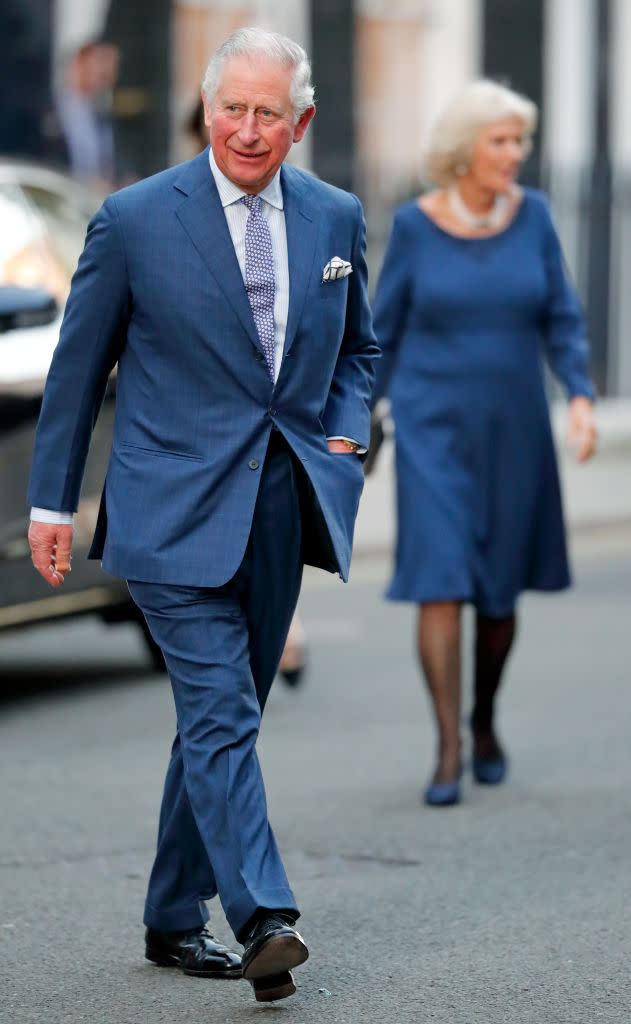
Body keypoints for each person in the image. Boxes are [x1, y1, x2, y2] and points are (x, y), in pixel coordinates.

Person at [27, 27, 378, 1001]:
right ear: (206, 108)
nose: (250, 129)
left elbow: (359, 352)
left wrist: (348, 435)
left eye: (271, 113)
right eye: (234, 108)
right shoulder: (136, 220)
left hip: (279, 499)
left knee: (221, 719)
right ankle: (263, 912)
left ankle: (170, 912)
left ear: (300, 120)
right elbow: (75, 368)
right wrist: (51, 502)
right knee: (221, 709)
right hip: (168, 505)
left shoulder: (335, 216)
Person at [369, 79, 597, 808]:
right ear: (463, 149)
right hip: (433, 428)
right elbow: (384, 330)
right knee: (440, 577)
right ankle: (447, 748)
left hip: (514, 428)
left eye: (519, 141)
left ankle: (484, 719)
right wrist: (356, 414)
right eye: (500, 141)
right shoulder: (412, 225)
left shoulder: (532, 216)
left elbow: (561, 316)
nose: (514, 154)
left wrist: (581, 396)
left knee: (498, 594)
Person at [51, 40, 121, 188]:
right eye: (91, 67)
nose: (99, 74)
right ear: (77, 66)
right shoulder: (54, 111)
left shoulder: (101, 115)